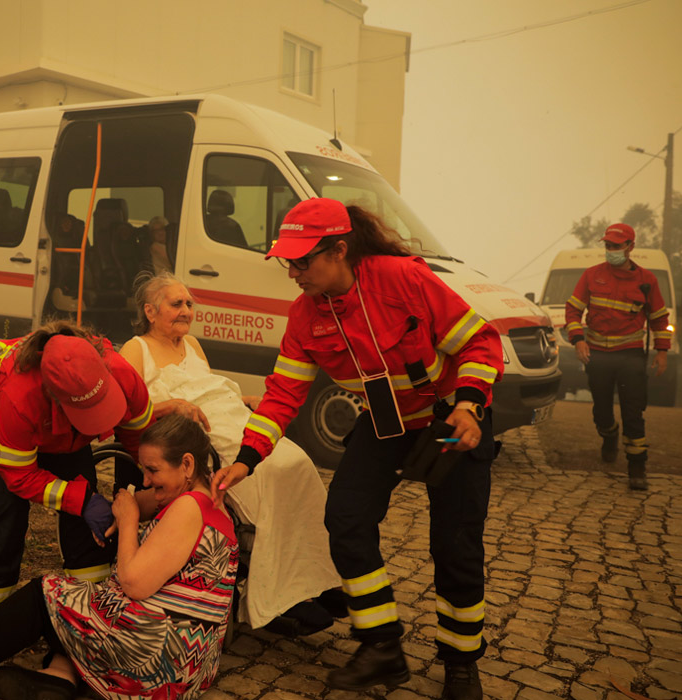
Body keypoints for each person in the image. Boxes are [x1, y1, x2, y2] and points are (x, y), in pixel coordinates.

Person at [212, 199, 503, 700]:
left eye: (304, 261)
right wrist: (247, 459)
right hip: (384, 423)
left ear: (340, 250)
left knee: (455, 546)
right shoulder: (305, 316)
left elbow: (481, 342)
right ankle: (381, 647)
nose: (295, 273)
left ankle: (460, 663)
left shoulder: (403, 280)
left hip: (450, 418)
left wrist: (471, 406)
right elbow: (282, 394)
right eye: (289, 263)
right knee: (344, 520)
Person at [0, 414, 238, 700]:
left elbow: (134, 582)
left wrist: (129, 521)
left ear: (187, 464)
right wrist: (130, 504)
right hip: (187, 670)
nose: (145, 480)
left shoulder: (188, 509)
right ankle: (59, 678)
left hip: (154, 662)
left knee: (47, 593)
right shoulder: (202, 503)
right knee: (84, 604)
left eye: (152, 470)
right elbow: (143, 502)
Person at [118, 271, 346, 635]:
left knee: (297, 463)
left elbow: (207, 387)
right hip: (190, 434)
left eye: (189, 303)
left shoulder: (192, 344)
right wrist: (169, 405)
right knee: (268, 472)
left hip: (227, 415)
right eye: (176, 303)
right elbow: (125, 410)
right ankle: (279, 595)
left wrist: (244, 400)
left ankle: (312, 579)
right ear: (150, 310)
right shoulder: (136, 348)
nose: (186, 310)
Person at [0, 321, 154, 635]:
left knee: (84, 494)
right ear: (55, 398)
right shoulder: (20, 396)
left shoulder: (123, 373)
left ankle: (88, 608)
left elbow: (140, 439)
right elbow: (18, 475)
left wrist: (144, 490)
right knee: (6, 507)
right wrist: (81, 500)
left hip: (55, 421)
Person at [564, 222, 670, 491]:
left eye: (616, 246)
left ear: (630, 247)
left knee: (633, 412)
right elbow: (573, 311)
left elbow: (659, 318)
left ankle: (637, 468)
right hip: (598, 354)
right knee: (601, 411)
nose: (610, 250)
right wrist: (578, 341)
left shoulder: (647, 281)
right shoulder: (591, 275)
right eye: (607, 245)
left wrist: (662, 353)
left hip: (631, 355)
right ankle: (608, 435)